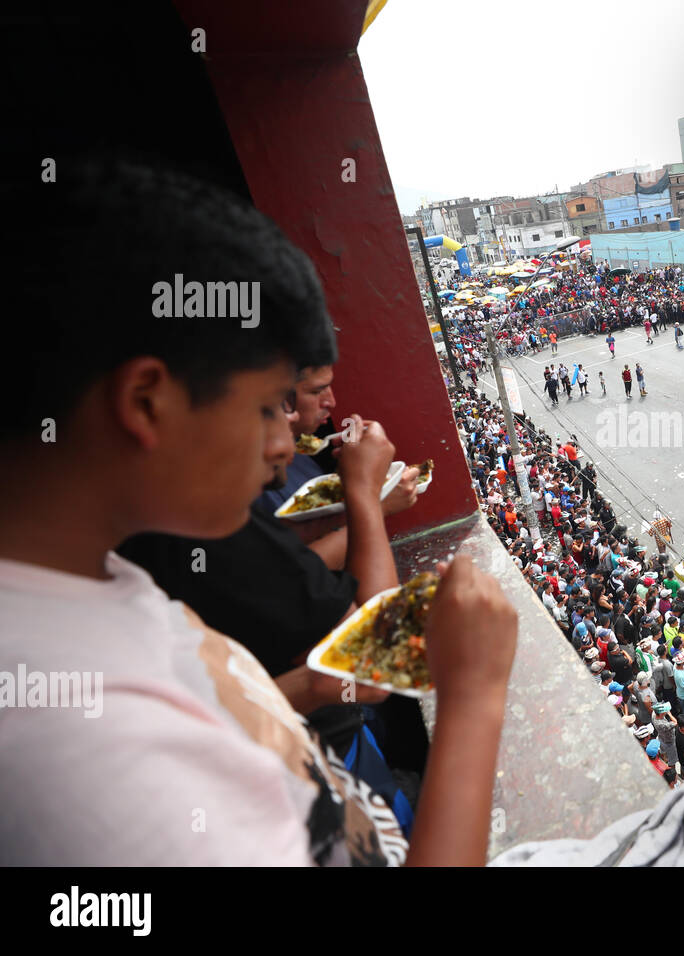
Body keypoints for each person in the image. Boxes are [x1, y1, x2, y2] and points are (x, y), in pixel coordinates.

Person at [1, 158, 518, 866]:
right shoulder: (76, 750)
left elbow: (207, 706)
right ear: (147, 402)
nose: (287, 442)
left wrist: (309, 685)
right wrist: (475, 696)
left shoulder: (93, 583)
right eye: (267, 406)